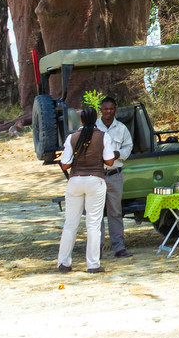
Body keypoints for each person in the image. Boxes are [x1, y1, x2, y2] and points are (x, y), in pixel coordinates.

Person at [56, 105, 118, 272]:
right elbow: (110, 161)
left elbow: (66, 164)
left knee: (70, 224)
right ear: (96, 119)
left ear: (81, 120)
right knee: (93, 225)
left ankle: (64, 262)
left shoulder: (72, 138)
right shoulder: (103, 137)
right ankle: (93, 264)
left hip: (75, 181)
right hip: (95, 181)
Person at [96, 97, 134, 259]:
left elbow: (128, 146)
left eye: (111, 109)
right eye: (106, 109)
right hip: (97, 176)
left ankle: (119, 247)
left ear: (115, 109)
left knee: (115, 213)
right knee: (96, 214)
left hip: (115, 175)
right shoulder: (93, 128)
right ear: (101, 110)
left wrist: (118, 154)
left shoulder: (121, 128)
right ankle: (95, 249)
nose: (108, 112)